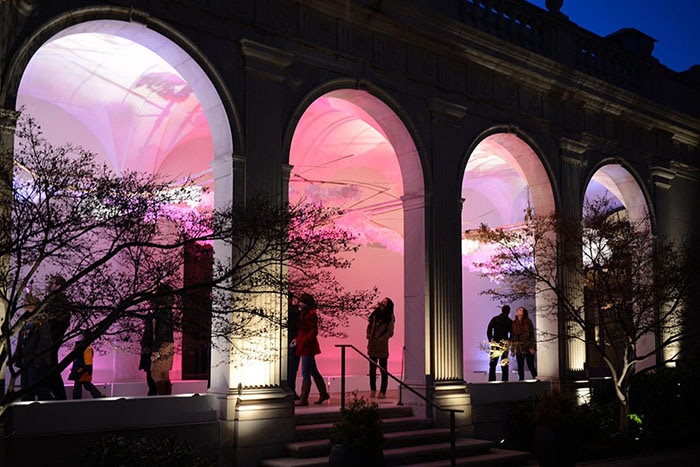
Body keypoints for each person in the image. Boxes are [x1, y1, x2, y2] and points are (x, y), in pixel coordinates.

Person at [15, 294, 54, 400]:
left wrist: (39, 359)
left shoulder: (41, 323)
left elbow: (44, 342)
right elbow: (21, 341)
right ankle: (28, 410)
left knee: (36, 386)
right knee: (26, 388)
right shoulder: (26, 321)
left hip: (35, 360)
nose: (27, 309)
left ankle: (50, 406)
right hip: (26, 359)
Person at [295, 293, 330, 406]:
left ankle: (304, 398)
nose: (300, 304)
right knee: (312, 370)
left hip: (307, 346)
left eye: (302, 302)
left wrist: (303, 341)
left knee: (306, 371)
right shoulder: (306, 313)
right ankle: (323, 393)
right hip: (305, 345)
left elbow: (312, 331)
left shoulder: (309, 314)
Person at [46, 275, 71, 400]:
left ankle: (58, 396)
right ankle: (57, 395)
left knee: (51, 368)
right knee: (51, 368)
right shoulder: (55, 300)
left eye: (53, 283)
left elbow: (62, 322)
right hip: (51, 339)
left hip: (51, 340)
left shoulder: (59, 301)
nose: (51, 285)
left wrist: (52, 338)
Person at [366, 297, 395, 399]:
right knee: (372, 369)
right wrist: (369, 335)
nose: (382, 304)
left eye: (384, 303)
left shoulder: (390, 317)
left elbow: (390, 332)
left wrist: (381, 339)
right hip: (372, 345)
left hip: (381, 346)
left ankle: (383, 391)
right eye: (382, 302)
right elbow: (369, 326)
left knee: (383, 369)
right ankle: (372, 390)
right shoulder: (375, 314)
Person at [150, 284, 175, 395]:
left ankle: (163, 400)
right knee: (164, 374)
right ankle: (167, 401)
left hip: (162, 346)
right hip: (168, 345)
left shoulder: (163, 313)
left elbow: (160, 332)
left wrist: (155, 349)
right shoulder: (168, 312)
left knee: (156, 374)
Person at [69, 333, 105, 399]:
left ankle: (77, 400)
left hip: (82, 371)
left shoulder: (85, 348)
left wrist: (82, 369)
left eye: (81, 336)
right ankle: (98, 396)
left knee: (80, 385)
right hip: (82, 370)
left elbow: (87, 362)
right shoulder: (83, 348)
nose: (79, 337)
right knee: (86, 385)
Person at [487, 305, 513, 382]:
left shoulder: (495, 319)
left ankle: (492, 380)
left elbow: (489, 329)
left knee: (493, 363)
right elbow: (512, 333)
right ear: (508, 312)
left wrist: (490, 339)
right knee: (504, 363)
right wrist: (509, 341)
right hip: (505, 343)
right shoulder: (509, 321)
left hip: (495, 342)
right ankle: (505, 381)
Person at [512, 306, 537, 381]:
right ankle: (521, 381)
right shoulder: (514, 323)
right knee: (520, 366)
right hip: (519, 347)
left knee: (530, 365)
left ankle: (536, 379)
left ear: (523, 313)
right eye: (518, 310)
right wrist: (512, 349)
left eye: (520, 310)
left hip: (528, 346)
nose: (518, 311)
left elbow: (532, 334)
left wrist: (532, 347)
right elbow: (513, 336)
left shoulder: (528, 322)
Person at [139, 311, 157, 396]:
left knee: (150, 372)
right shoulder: (150, 331)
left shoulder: (150, 330)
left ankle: (152, 391)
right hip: (150, 350)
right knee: (150, 372)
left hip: (150, 350)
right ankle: (152, 391)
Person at [287, 293, 301, 400]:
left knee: (291, 368)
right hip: (294, 341)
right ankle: (291, 389)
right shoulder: (295, 312)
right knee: (292, 368)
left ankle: (290, 390)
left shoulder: (291, 312)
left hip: (291, 341)